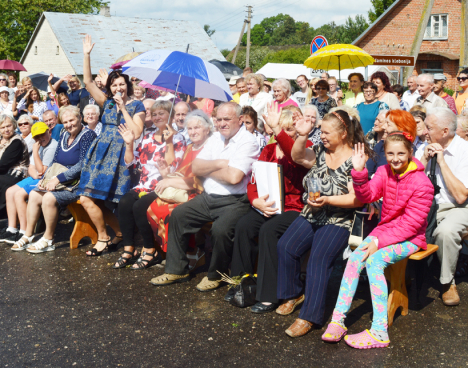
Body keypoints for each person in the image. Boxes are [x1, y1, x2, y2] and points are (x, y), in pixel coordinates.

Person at [322, 130, 433, 349]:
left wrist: (378, 243)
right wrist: (360, 171)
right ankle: (338, 320)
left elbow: (411, 225)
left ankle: (379, 331)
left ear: (411, 152)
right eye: (390, 153)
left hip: (411, 238)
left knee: (374, 262)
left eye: (401, 153)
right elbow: (366, 196)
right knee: (355, 258)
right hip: (385, 232)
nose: (395, 158)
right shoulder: (383, 171)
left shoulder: (423, 184)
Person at [273, 109, 366, 337]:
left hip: (340, 219)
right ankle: (294, 294)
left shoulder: (356, 157)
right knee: (286, 246)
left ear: (343, 133)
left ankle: (309, 317)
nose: (322, 136)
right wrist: (302, 135)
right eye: (321, 131)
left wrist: (328, 200)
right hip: (312, 212)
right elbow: (297, 156)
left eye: (326, 132)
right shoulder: (320, 151)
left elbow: (357, 198)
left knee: (318, 258)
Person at [150, 102, 260, 291]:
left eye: (227, 119)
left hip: (234, 202)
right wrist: (220, 164)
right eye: (219, 119)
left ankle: (216, 274)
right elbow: (196, 167)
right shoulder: (216, 138)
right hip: (208, 197)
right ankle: (177, 270)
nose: (222, 123)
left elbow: (234, 178)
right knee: (179, 215)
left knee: (220, 230)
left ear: (240, 119)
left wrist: (208, 170)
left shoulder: (248, 141)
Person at [229, 105, 310, 313]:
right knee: (244, 225)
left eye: (289, 129)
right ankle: (241, 283)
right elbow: (254, 179)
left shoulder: (305, 147)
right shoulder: (268, 149)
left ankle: (268, 294)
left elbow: (294, 157)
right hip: (270, 204)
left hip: (295, 207)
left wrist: (280, 132)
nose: (282, 133)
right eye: (280, 129)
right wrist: (255, 201)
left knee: (269, 230)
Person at [74, 34, 145, 256]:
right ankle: (105, 236)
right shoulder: (105, 102)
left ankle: (119, 236)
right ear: (110, 87)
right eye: (114, 85)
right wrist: (87, 55)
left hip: (122, 155)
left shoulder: (137, 105)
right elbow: (86, 82)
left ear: (128, 86)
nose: (118, 88)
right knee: (87, 197)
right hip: (101, 154)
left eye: (121, 84)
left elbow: (136, 132)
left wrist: (123, 107)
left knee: (111, 202)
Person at [12, 106, 97, 252]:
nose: (69, 124)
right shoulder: (64, 134)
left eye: (72, 120)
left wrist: (58, 179)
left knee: (48, 198)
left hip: (79, 183)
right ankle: (28, 235)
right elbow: (55, 162)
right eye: (65, 121)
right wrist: (45, 179)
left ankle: (48, 238)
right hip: (60, 180)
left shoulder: (88, 135)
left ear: (79, 118)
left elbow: (84, 164)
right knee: (34, 194)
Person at [113, 100, 186, 269]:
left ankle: (150, 249)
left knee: (139, 207)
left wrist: (168, 142)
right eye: (154, 114)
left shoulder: (179, 138)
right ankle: (129, 248)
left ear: (171, 116)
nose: (157, 117)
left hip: (163, 185)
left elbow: (172, 168)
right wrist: (129, 143)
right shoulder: (147, 137)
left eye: (161, 113)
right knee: (124, 203)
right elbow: (132, 163)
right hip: (144, 184)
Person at [422, 108, 468, 306]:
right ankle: (403, 278)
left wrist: (442, 161)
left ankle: (447, 282)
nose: (424, 131)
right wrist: (423, 160)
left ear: (445, 131)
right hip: (431, 206)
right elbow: (409, 182)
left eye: (429, 127)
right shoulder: (425, 146)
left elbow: (460, 196)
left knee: (446, 231)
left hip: (463, 208)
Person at [146, 110, 213, 258]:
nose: (193, 131)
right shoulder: (190, 147)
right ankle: (174, 253)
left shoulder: (211, 148)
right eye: (190, 128)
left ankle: (188, 252)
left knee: (172, 213)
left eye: (197, 127)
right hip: (185, 189)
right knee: (154, 207)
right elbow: (182, 174)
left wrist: (168, 181)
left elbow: (197, 182)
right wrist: (166, 174)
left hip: (202, 193)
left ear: (207, 129)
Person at [0, 121, 59, 245]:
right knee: (9, 192)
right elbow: (31, 167)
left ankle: (25, 231)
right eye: (37, 137)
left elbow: (42, 171)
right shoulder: (39, 145)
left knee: (19, 195)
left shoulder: (51, 146)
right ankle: (12, 229)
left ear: (48, 132)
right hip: (36, 177)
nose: (40, 139)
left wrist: (35, 152)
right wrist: (34, 173)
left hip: (45, 179)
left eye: (42, 134)